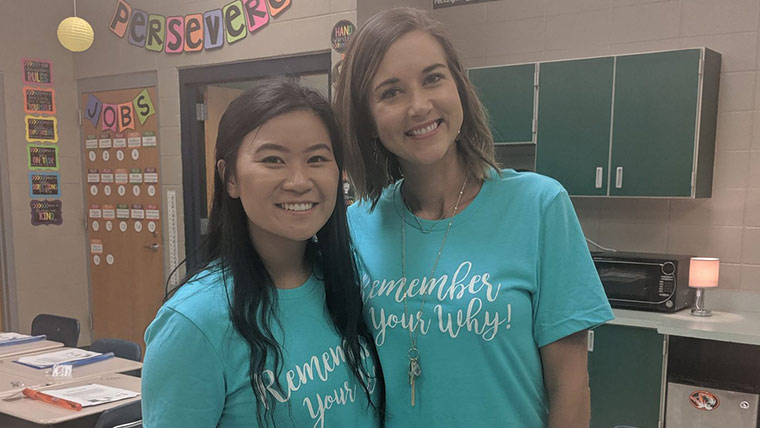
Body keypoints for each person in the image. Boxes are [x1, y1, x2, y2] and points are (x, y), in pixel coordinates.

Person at [334, 8, 613, 428]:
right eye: (391, 92)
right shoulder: (359, 225)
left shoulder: (539, 206)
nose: (419, 105)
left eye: (433, 78)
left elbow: (570, 387)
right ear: (368, 120)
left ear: (460, 88)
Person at [142, 79, 384, 428]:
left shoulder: (349, 280)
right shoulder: (193, 323)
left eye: (317, 158)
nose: (299, 181)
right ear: (230, 179)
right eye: (273, 159)